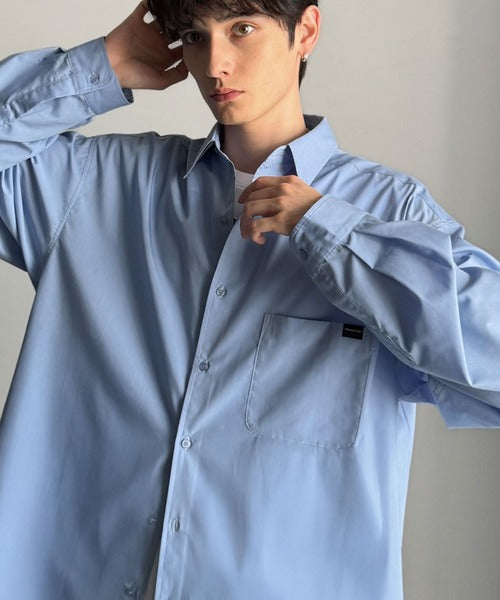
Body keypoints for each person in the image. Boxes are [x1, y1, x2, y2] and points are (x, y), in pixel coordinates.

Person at [0, 1, 499, 598]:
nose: (216, 63)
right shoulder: (97, 185)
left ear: (305, 31)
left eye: (242, 29)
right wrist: (101, 66)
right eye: (195, 36)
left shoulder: (390, 213)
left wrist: (332, 233)